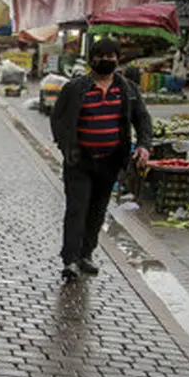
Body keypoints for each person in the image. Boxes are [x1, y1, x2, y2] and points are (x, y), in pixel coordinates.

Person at [49, 37, 152, 282]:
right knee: (77, 209)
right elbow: (58, 118)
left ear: (117, 59)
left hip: (110, 161)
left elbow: (143, 119)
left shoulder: (127, 89)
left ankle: (86, 254)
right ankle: (70, 259)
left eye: (110, 56)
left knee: (97, 210)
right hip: (80, 160)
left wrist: (145, 146)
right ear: (91, 60)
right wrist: (66, 146)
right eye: (100, 56)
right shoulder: (75, 88)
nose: (106, 61)